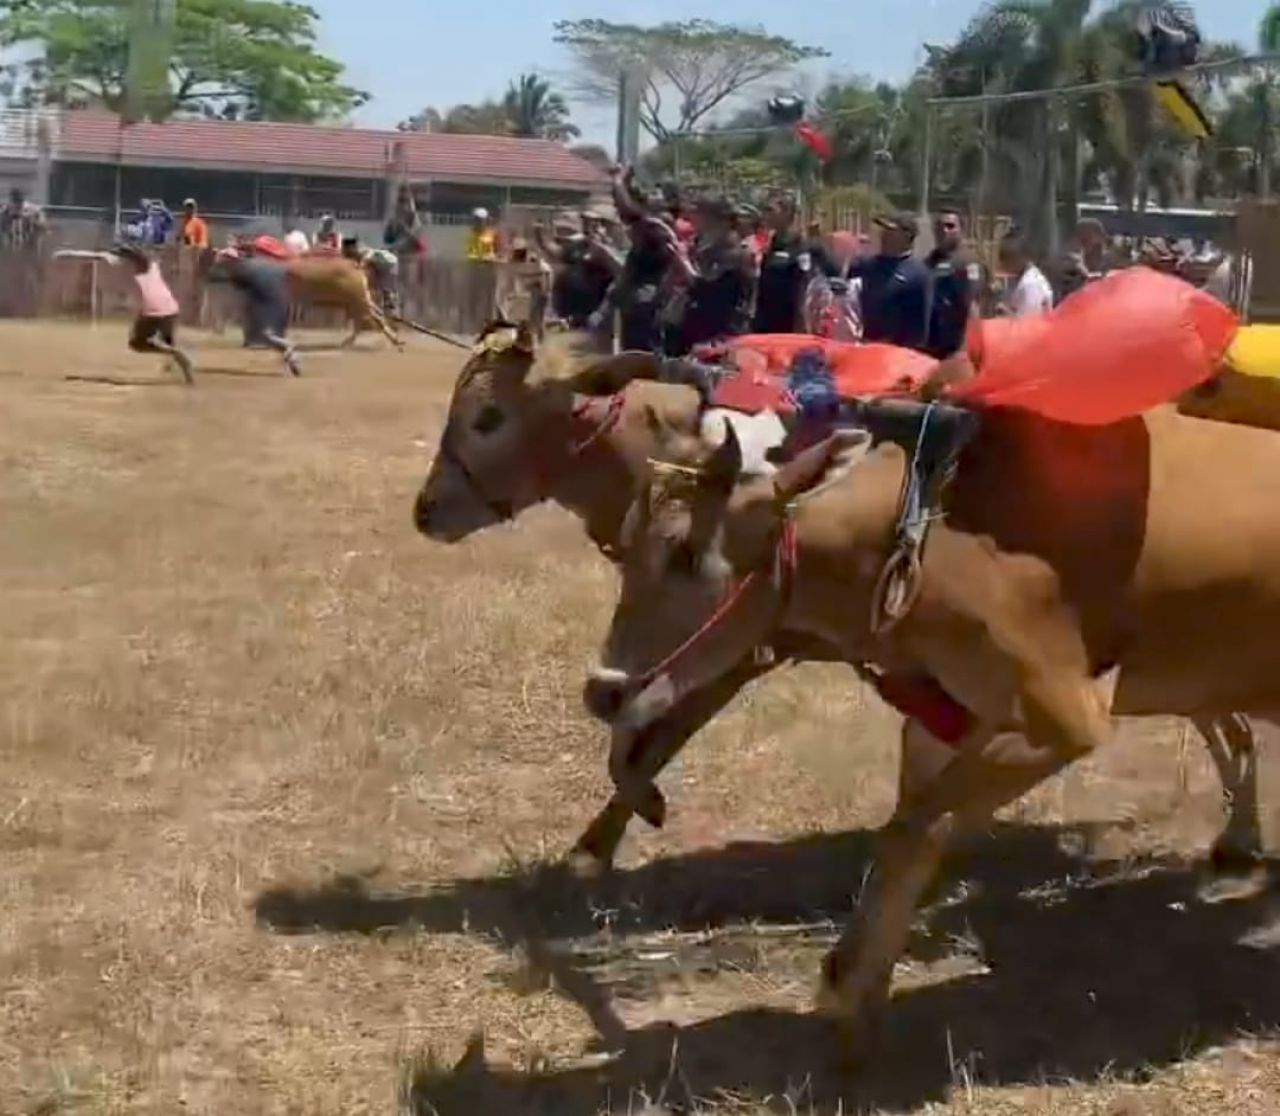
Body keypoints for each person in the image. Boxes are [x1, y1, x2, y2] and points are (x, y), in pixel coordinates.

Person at [54, 242, 194, 382]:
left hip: (153, 309)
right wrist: (67, 253)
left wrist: (67, 254)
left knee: (137, 343)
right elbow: (98, 255)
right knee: (166, 342)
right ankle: (186, 375)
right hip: (170, 307)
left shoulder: (142, 263)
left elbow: (102, 256)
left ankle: (176, 354)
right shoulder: (150, 263)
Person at [666, 195, 754, 356]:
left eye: (701, 215)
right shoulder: (703, 247)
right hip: (693, 328)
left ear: (721, 221)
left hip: (720, 334)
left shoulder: (735, 252)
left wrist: (683, 261)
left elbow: (704, 288)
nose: (696, 220)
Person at [845, 212, 931, 352]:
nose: (884, 234)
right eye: (883, 229)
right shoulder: (863, 265)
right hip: (860, 349)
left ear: (907, 235)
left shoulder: (918, 274)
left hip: (895, 355)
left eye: (890, 230)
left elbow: (919, 328)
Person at [210, 248, 300, 376]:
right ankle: (290, 359)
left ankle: (289, 348)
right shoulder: (250, 265)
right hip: (278, 299)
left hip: (270, 301)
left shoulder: (241, 270)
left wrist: (226, 319)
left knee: (265, 335)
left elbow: (240, 291)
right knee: (265, 336)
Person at [752, 194, 811, 334]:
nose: (766, 215)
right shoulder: (770, 242)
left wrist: (801, 317)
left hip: (787, 317)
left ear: (786, 213)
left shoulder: (798, 243)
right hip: (765, 313)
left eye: (771, 210)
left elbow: (804, 280)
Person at [924, 209, 979, 358]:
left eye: (950, 226)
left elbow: (973, 306)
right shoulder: (930, 260)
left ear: (961, 229)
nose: (944, 230)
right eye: (939, 226)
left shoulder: (966, 261)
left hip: (955, 346)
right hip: (930, 344)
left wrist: (966, 348)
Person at [997, 229, 1054, 317]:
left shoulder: (1031, 284)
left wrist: (1004, 311)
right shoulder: (1022, 279)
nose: (1002, 262)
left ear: (1020, 257)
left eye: (1006, 257)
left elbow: (1028, 323)